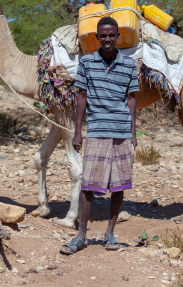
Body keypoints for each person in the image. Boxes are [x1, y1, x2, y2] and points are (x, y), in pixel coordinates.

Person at [60, 16, 139, 255]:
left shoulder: (128, 64)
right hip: (96, 129)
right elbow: (81, 97)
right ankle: (81, 235)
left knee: (118, 185)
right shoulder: (86, 63)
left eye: (111, 35)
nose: (107, 39)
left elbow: (131, 98)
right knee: (88, 185)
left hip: (121, 130)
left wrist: (133, 132)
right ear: (97, 37)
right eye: (103, 35)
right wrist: (77, 131)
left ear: (117, 37)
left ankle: (110, 233)